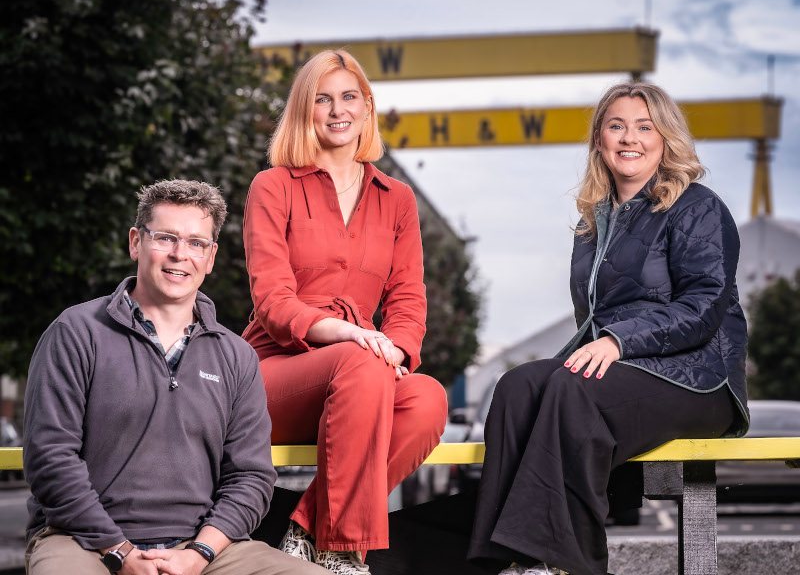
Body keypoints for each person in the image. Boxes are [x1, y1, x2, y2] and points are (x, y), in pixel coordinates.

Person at [467, 82, 748, 575]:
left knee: (572, 390)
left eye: (645, 126)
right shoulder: (593, 223)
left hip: (701, 375)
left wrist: (619, 342)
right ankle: (505, 560)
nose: (629, 138)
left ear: (665, 138)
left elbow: (705, 306)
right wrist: (580, 357)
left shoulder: (697, 207)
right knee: (516, 387)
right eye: (616, 126)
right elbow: (593, 319)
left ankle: (564, 564)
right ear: (599, 139)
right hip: (629, 370)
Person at [23, 180, 328, 575]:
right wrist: (119, 550)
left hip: (198, 543)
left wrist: (199, 553)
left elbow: (251, 476)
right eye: (165, 238)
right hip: (82, 540)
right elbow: (50, 460)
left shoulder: (236, 356)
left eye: (196, 243)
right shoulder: (76, 332)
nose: (180, 255)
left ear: (211, 256)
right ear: (136, 242)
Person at [242, 49, 448, 574]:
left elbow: (407, 298)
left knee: (426, 398)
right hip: (275, 373)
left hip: (363, 377)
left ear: (367, 106)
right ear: (304, 111)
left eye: (348, 96)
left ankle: (306, 530)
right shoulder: (274, 186)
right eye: (322, 98)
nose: (337, 109)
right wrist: (350, 336)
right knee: (360, 362)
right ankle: (342, 554)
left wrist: (394, 349)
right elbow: (271, 300)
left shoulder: (396, 199)